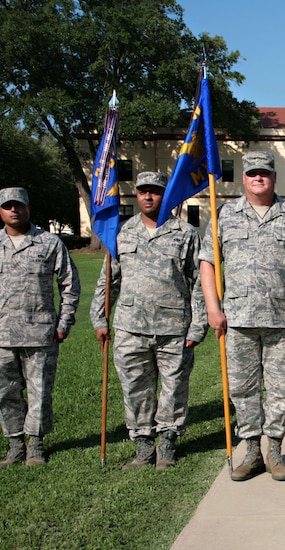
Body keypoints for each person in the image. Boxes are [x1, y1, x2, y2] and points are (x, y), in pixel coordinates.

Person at [200, 151, 285, 482]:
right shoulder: (224, 216)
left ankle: (275, 449)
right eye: (252, 173)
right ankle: (251, 450)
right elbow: (208, 262)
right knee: (243, 389)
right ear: (243, 178)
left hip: (282, 320)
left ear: (274, 177)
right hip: (238, 319)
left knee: (280, 389)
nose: (258, 178)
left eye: (264, 172)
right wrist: (212, 307)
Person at [90, 172, 207, 470]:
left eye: (154, 191)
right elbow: (109, 280)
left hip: (174, 327)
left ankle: (167, 444)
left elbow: (202, 282)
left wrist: (198, 323)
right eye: (143, 191)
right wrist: (99, 317)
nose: (148, 197)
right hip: (131, 326)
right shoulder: (121, 232)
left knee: (174, 388)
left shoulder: (186, 233)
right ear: (136, 194)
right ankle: (143, 446)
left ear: (164, 194)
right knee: (135, 388)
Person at [0, 187, 80, 468]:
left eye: (19, 205)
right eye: (7, 206)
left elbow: (70, 285)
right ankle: (15, 443)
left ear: (28, 207)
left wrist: (64, 322)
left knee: (40, 391)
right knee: (5, 391)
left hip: (39, 333)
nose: (14, 210)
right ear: (0, 210)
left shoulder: (49, 243)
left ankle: (35, 444)